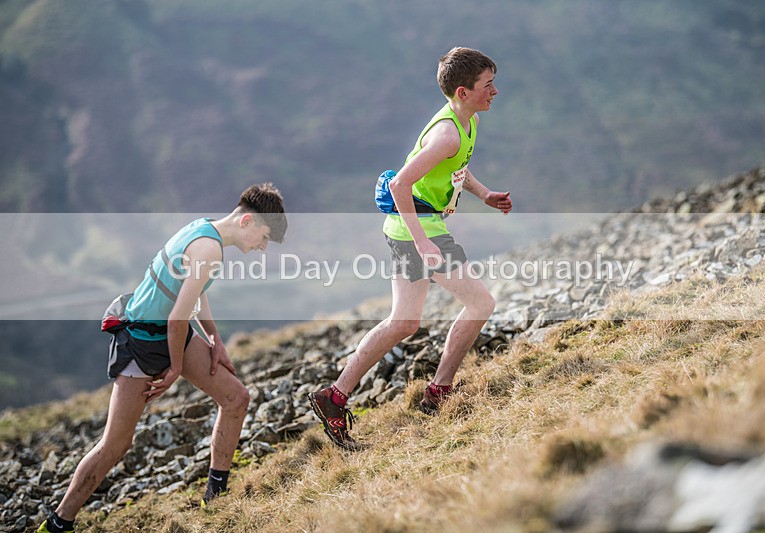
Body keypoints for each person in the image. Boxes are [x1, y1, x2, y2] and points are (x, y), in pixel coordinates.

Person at [38, 183, 287, 533]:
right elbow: (176, 320)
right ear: (247, 221)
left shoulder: (203, 229)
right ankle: (57, 523)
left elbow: (194, 296)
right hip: (141, 342)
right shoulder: (209, 250)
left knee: (236, 398)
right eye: (263, 238)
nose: (262, 248)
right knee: (116, 443)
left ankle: (216, 497)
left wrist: (216, 340)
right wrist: (174, 368)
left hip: (171, 336)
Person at [309, 47, 512, 451]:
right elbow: (400, 185)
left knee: (404, 322)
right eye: (488, 85)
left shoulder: (464, 122)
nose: (496, 91)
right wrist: (424, 243)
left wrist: (484, 193)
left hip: (409, 228)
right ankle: (440, 391)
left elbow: (457, 169)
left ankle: (333, 398)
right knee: (481, 304)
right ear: (463, 90)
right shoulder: (447, 132)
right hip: (418, 230)